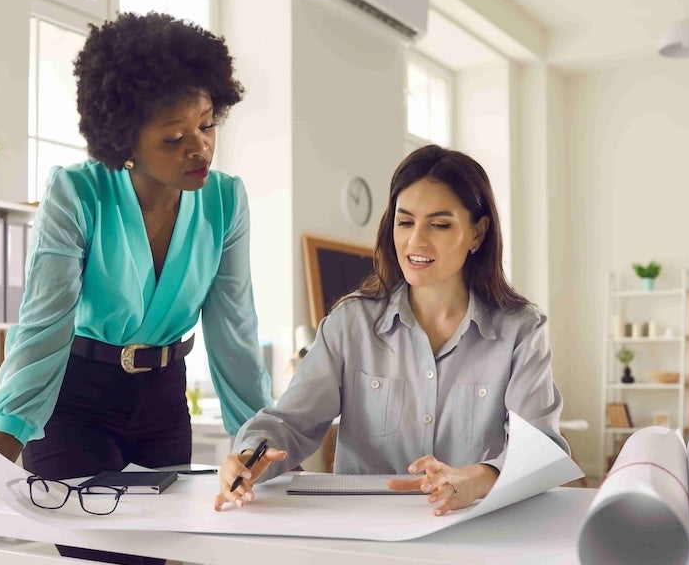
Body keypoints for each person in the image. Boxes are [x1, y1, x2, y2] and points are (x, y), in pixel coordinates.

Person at [0, 13, 273, 565]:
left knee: (154, 552)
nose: (200, 149)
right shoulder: (76, 194)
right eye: (174, 137)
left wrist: (261, 443)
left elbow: (234, 331)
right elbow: (44, 328)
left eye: (207, 126)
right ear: (124, 142)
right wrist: (2, 458)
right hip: (76, 400)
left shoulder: (226, 201)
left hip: (164, 400)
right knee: (103, 553)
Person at [215, 145, 570, 515]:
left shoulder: (521, 331)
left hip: (472, 527)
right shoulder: (350, 324)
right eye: (405, 222)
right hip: (363, 534)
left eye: (440, 224)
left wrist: (479, 478)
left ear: (477, 233)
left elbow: (543, 450)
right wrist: (249, 455)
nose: (417, 241)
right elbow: (291, 422)